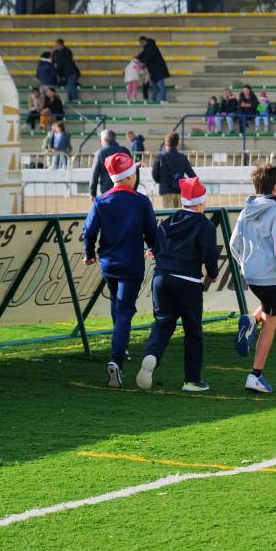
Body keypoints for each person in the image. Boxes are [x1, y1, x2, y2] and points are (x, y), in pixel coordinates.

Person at [137, 176, 219, 393]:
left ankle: (151, 355)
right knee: (193, 331)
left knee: (163, 323)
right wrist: (213, 274)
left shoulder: (168, 222)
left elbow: (156, 247)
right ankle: (191, 380)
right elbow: (209, 255)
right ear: (200, 203)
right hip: (188, 281)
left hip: (161, 278)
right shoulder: (205, 225)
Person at [83, 152, 156, 389]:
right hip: (131, 264)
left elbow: (89, 230)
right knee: (124, 311)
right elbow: (151, 231)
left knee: (117, 304)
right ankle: (116, 358)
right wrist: (153, 248)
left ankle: (120, 348)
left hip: (109, 264)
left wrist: (89, 253)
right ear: (129, 176)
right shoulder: (141, 201)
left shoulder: (101, 201)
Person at [230, 163, 276, 394]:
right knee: (271, 323)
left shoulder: (245, 211)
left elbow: (234, 243)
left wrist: (245, 264)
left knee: (267, 306)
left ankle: (250, 319)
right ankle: (255, 374)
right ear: (275, 187)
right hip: (269, 275)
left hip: (251, 273)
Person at [151, 132, 196, 209]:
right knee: (179, 214)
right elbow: (192, 175)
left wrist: (162, 182)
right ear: (177, 143)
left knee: (168, 214)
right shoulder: (182, 157)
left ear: (165, 142)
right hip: (180, 190)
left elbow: (155, 174)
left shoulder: (160, 157)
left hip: (166, 190)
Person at [88, 129, 131, 200]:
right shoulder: (125, 151)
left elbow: (94, 175)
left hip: (107, 192)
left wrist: (92, 193)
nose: (100, 141)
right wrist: (133, 188)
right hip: (125, 190)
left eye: (101, 139)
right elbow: (133, 170)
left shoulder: (100, 152)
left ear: (105, 139)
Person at [136, 36, 170, 102]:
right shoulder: (147, 47)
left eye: (141, 43)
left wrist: (143, 62)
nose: (141, 45)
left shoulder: (151, 47)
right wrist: (136, 58)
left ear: (144, 41)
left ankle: (163, 99)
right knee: (154, 85)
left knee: (160, 84)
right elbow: (143, 54)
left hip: (158, 69)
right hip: (153, 69)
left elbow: (149, 56)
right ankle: (153, 99)